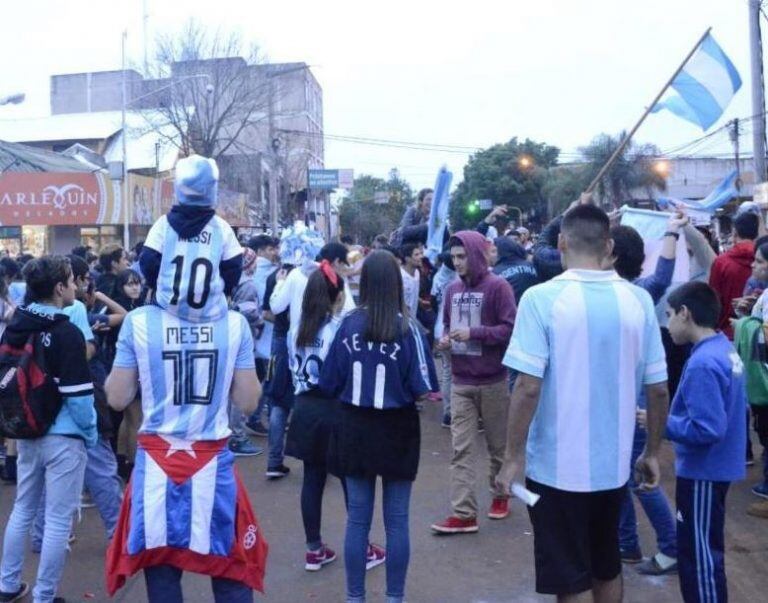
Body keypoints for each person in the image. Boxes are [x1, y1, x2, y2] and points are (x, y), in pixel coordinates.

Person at [497, 205, 670, 602]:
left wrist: (511, 457)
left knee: (569, 580)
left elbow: (527, 387)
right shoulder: (638, 301)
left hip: (556, 470)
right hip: (613, 467)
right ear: (608, 245)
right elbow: (658, 388)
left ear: (560, 242)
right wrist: (653, 452)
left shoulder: (542, 299)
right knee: (606, 564)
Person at [104, 269, 268, 602]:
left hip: (156, 464)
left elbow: (117, 398)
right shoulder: (235, 324)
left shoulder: (137, 321)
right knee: (230, 566)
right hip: (211, 461)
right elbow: (249, 402)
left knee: (162, 568)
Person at [320, 250, 437, 603]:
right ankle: (394, 598)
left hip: (353, 427)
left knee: (358, 519)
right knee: (397, 520)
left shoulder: (348, 324)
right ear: (397, 284)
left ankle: (355, 597)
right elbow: (425, 386)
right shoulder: (408, 329)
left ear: (365, 282)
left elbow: (328, 381)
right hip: (397, 430)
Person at [0, 256, 97, 603]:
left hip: (26, 429)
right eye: (72, 280)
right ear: (58, 288)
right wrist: (90, 433)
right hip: (65, 437)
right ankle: (45, 595)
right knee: (57, 521)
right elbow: (80, 399)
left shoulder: (16, 325)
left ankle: (7, 585)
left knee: (23, 508)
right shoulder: (66, 332)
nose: (76, 286)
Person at [608, 217, 685, 575]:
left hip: (635, 401)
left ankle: (671, 545)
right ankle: (627, 544)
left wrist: (673, 230)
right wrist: (672, 230)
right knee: (621, 477)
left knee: (638, 475)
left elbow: (663, 276)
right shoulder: (634, 291)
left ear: (610, 253)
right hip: (622, 400)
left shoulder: (634, 292)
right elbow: (664, 274)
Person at [665, 281, 746, 602]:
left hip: (703, 472)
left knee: (699, 558)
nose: (667, 322)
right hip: (716, 470)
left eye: (670, 314)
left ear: (685, 314)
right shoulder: (723, 348)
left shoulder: (702, 363)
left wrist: (659, 423)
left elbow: (708, 429)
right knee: (705, 551)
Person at [431, 231, 516, 534]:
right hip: (461, 381)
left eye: (462, 256)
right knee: (460, 449)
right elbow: (449, 328)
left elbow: (509, 329)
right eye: (454, 257)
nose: (457, 263)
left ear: (477, 255)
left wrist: (475, 333)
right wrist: (445, 341)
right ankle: (464, 513)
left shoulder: (499, 287)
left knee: (497, 447)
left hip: (493, 381)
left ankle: (501, 494)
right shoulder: (452, 290)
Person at [285, 265, 346, 570]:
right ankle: (361, 545)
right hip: (332, 409)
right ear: (336, 296)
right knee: (351, 479)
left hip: (304, 409)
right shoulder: (337, 328)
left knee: (312, 479)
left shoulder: (296, 329)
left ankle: (313, 549)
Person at [140, 154, 243, 324]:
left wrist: (160, 282)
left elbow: (148, 262)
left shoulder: (163, 225)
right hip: (211, 315)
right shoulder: (222, 228)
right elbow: (233, 269)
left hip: (167, 311)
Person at [228, 248, 264, 457]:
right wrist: (259, 322)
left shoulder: (228, 281)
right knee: (239, 391)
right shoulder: (248, 285)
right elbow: (250, 312)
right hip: (243, 341)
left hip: (228, 339)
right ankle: (237, 436)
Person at [244, 234, 279, 437]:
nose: (274, 252)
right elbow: (261, 309)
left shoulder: (266, 271)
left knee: (265, 378)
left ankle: (255, 417)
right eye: (269, 249)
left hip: (261, 335)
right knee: (265, 379)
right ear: (259, 252)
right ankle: (253, 418)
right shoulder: (262, 273)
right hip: (262, 334)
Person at [709, 211, 758, 339]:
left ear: (735, 233)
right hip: (760, 332)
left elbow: (714, 299)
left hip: (727, 331)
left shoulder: (722, 262)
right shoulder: (763, 258)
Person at [492, 236, 538, 305]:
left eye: (493, 251)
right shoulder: (532, 265)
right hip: (533, 310)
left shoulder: (494, 274)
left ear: (499, 252)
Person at [399, 243, 422, 319]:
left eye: (421, 253)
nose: (421, 257)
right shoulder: (401, 277)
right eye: (416, 255)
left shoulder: (416, 273)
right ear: (407, 258)